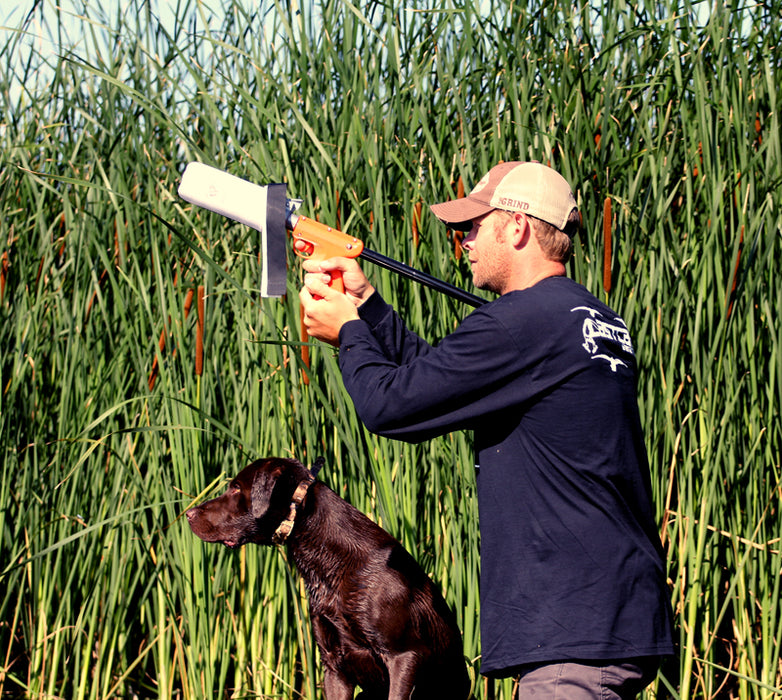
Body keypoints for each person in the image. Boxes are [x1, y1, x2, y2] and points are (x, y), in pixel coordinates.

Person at [298, 161, 675, 699]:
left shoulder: (521, 321)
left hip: (571, 638)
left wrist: (349, 334)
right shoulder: (588, 319)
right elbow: (441, 383)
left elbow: (392, 407)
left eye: (475, 225)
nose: (464, 240)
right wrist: (367, 307)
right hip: (607, 621)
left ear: (517, 227)